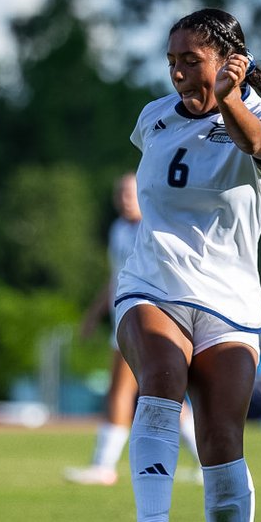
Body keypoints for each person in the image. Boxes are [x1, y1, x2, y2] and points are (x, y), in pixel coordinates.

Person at [114, 7, 261, 522]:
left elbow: (260, 145)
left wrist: (230, 100)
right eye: (171, 59)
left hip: (230, 305)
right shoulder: (154, 118)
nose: (175, 71)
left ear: (227, 61)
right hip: (152, 286)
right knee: (162, 373)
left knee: (222, 440)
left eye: (189, 59)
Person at [64, 172, 204, 487]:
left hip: (147, 320)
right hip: (122, 318)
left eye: (130, 192)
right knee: (167, 396)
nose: (124, 199)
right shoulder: (117, 230)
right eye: (120, 193)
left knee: (123, 389)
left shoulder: (153, 227)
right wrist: (92, 315)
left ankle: (103, 465)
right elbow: (116, 278)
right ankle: (205, 461)